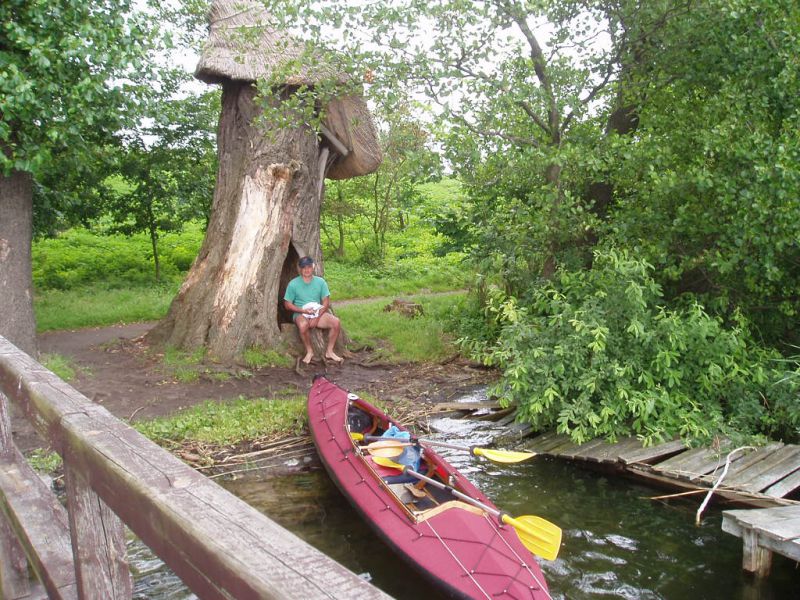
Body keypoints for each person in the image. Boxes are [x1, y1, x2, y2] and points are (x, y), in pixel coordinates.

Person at [283, 256, 343, 365]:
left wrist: (317, 317)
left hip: (317, 312)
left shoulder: (320, 282)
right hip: (301, 312)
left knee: (336, 322)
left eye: (309, 267)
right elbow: (287, 304)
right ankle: (309, 351)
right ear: (300, 269)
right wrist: (303, 311)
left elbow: (326, 302)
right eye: (304, 267)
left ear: (313, 267)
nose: (307, 270)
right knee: (303, 325)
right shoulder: (293, 284)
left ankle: (329, 351)